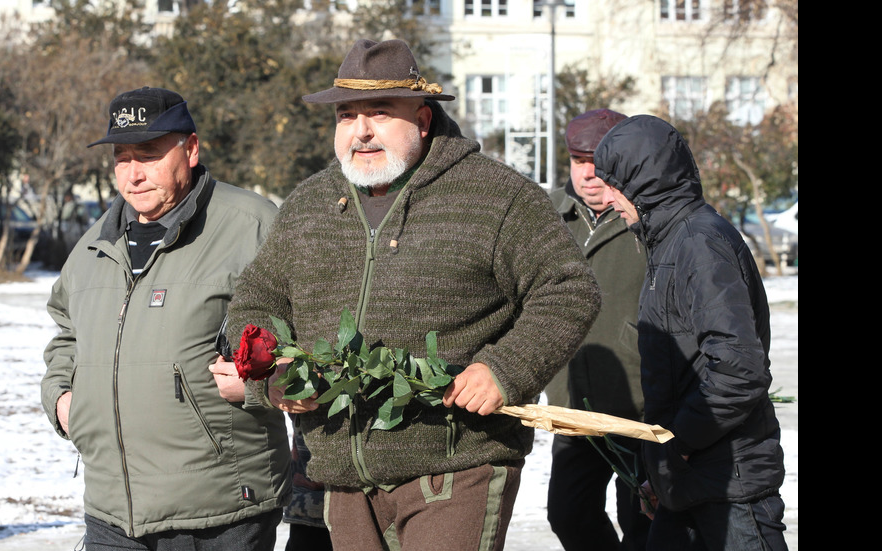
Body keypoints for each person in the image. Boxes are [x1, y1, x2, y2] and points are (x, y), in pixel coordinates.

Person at [212, 38, 601, 551]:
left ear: (421, 118)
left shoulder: (496, 197)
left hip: (456, 466)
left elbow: (569, 289)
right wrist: (271, 378)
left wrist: (507, 370)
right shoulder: (309, 204)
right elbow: (256, 304)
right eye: (347, 115)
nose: (361, 130)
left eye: (379, 112)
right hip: (343, 478)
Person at [41, 86, 291, 551]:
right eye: (122, 157)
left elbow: (309, 336)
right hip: (111, 512)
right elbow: (67, 333)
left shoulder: (253, 224)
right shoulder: (95, 243)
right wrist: (62, 396)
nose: (133, 174)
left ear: (191, 149)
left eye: (150, 155)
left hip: (220, 511)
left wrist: (266, 380)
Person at [593, 114, 788, 550]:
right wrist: (660, 469)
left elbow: (739, 370)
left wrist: (676, 446)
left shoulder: (700, 244)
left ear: (645, 184)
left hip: (729, 487)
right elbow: (678, 373)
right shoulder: (668, 242)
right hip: (689, 483)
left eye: (614, 185)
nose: (607, 200)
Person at [544, 109, 651, 551]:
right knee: (568, 513)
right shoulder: (546, 215)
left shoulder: (647, 218)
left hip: (641, 407)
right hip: (573, 406)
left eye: (599, 160)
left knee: (642, 519)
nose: (588, 174)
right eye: (577, 159)